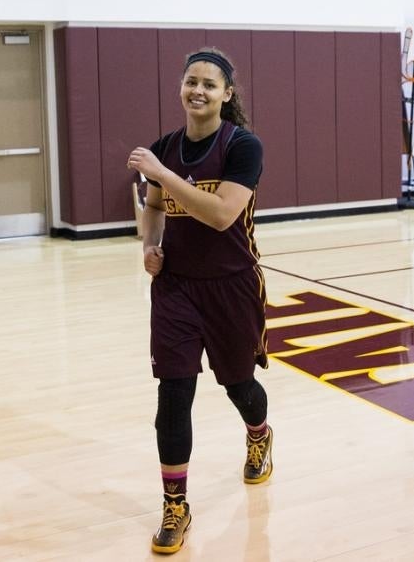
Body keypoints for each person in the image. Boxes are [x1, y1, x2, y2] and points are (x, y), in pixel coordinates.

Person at [126, 47, 271, 555]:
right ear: (181, 88)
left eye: (210, 84)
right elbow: (153, 207)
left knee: (239, 385)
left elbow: (221, 215)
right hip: (177, 289)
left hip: (231, 285)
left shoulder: (243, 147)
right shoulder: (165, 146)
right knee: (174, 392)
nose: (198, 90)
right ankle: (175, 505)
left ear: (226, 95)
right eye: (191, 81)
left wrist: (162, 173)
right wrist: (150, 247)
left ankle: (258, 432)